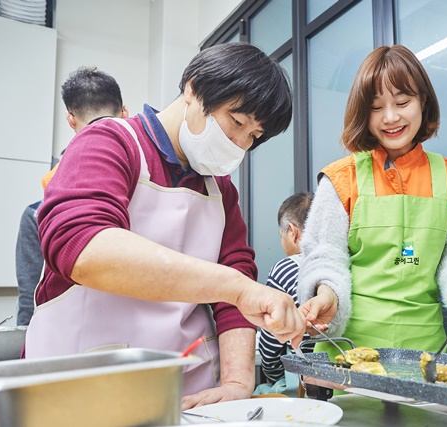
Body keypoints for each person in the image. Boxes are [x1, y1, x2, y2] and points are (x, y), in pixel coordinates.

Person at [27, 42, 305, 409]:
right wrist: (237, 288)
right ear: (193, 88)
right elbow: (83, 246)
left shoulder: (221, 191)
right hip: (81, 387)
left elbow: (236, 277)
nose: (239, 144)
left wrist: (238, 382)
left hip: (188, 396)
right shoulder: (111, 142)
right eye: (237, 122)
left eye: (253, 136)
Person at [297, 45, 447, 361]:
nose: (390, 118)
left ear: (423, 102)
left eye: (402, 102)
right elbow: (326, 257)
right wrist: (325, 296)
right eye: (376, 107)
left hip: (424, 355)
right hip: (346, 354)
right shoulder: (340, 179)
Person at [15, 66, 128, 326]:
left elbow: (30, 299)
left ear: (71, 119)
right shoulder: (154, 193)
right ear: (124, 113)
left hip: (66, 339)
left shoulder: (37, 213)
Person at [256, 192, 315, 396]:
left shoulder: (285, 268)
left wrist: (275, 378)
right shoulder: (347, 263)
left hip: (303, 384)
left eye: (281, 237)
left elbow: (270, 347)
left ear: (292, 232)